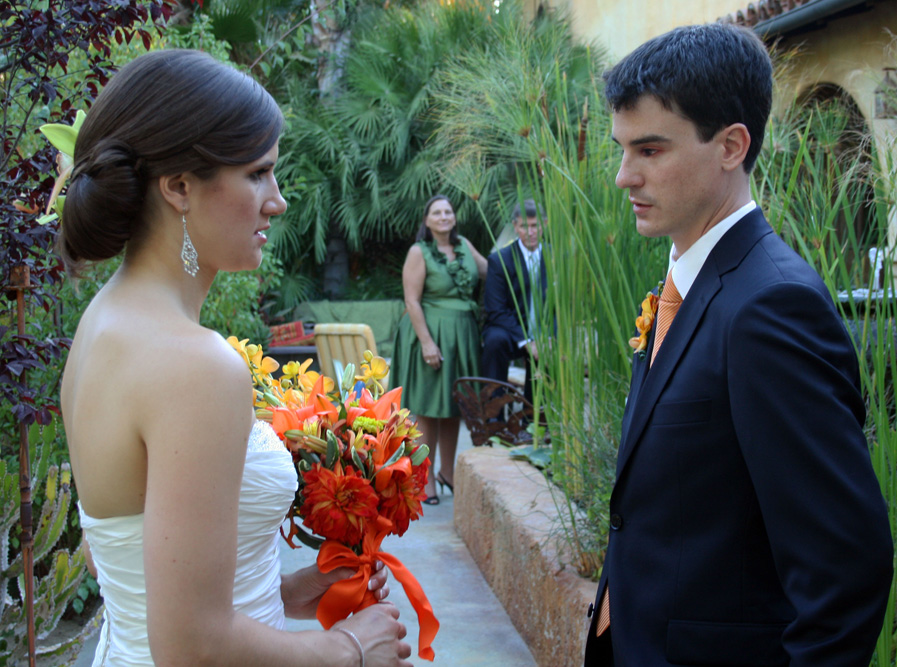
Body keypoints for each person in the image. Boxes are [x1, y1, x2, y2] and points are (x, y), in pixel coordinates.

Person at [59, 50, 411, 666]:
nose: (276, 200)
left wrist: (279, 591)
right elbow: (191, 647)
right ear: (179, 187)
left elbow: (122, 558)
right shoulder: (195, 366)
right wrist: (348, 648)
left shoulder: (102, 327)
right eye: (257, 174)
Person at [584, 25, 894, 666]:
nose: (623, 177)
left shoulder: (771, 307)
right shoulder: (687, 284)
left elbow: (844, 571)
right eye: (622, 149)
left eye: (649, 150)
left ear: (730, 146)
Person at [391, 195, 487, 504]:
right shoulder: (419, 252)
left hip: (462, 337)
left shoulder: (465, 247)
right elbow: (411, 300)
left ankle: (448, 471)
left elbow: (492, 270)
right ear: (427, 220)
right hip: (430, 334)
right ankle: (425, 476)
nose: (444, 216)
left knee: (453, 405)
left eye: (448, 211)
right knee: (429, 407)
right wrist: (427, 342)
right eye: (437, 212)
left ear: (454, 217)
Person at [481, 199, 547, 404]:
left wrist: (548, 336)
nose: (531, 232)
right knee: (494, 341)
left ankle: (536, 414)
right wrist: (527, 340)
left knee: (552, 347)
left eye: (535, 225)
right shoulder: (499, 260)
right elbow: (496, 310)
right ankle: (494, 414)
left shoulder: (556, 257)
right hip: (510, 330)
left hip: (543, 329)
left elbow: (561, 308)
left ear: (544, 224)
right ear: (515, 226)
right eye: (524, 226)